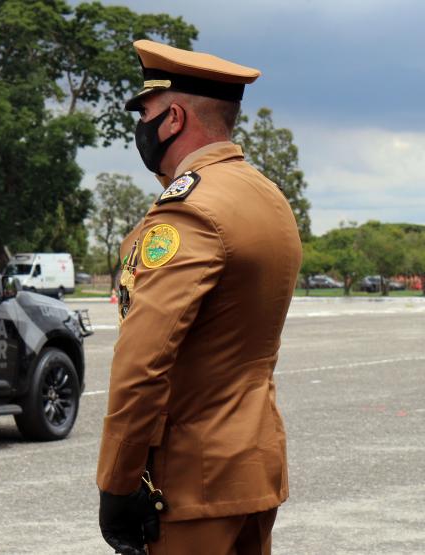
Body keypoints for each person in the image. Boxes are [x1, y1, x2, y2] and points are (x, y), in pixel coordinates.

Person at [96, 39, 302, 554]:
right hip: (252, 466)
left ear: (174, 119)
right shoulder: (266, 196)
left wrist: (117, 483)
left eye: (144, 113)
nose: (139, 128)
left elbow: (143, 362)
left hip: (192, 480)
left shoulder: (190, 210)